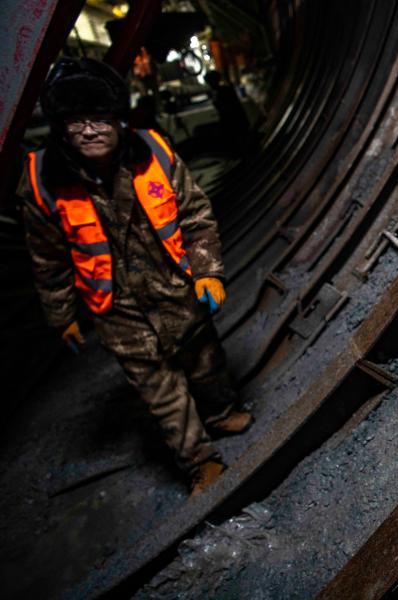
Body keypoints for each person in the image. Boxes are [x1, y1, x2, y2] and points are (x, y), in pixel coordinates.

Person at [19, 58, 251, 498]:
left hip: (174, 288)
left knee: (204, 359)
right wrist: (61, 315)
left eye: (101, 119)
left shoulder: (154, 152)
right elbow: (47, 259)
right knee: (156, 386)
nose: (90, 130)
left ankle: (221, 412)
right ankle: (199, 460)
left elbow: (196, 215)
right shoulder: (41, 181)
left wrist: (206, 270)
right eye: (76, 121)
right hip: (115, 307)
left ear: (118, 119)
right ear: (60, 126)